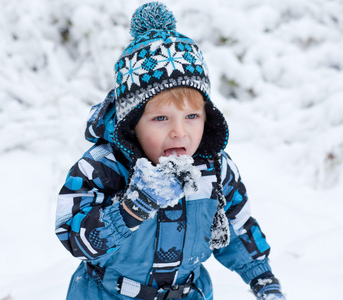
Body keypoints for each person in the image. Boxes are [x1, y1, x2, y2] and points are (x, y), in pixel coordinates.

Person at [55, 2, 285, 299]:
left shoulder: (214, 170)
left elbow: (237, 228)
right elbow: (74, 236)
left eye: (191, 117)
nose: (179, 131)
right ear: (133, 122)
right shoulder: (104, 168)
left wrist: (262, 278)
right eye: (161, 119)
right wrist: (130, 208)